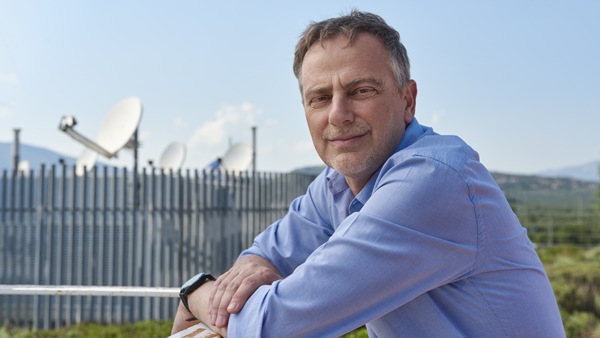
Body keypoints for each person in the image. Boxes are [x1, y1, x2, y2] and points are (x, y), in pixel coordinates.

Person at [172, 10, 565, 337]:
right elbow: (261, 256)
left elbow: (274, 326)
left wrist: (194, 292)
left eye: (361, 91)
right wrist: (252, 268)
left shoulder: (434, 180)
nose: (339, 115)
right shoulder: (335, 187)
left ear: (407, 100)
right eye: (320, 98)